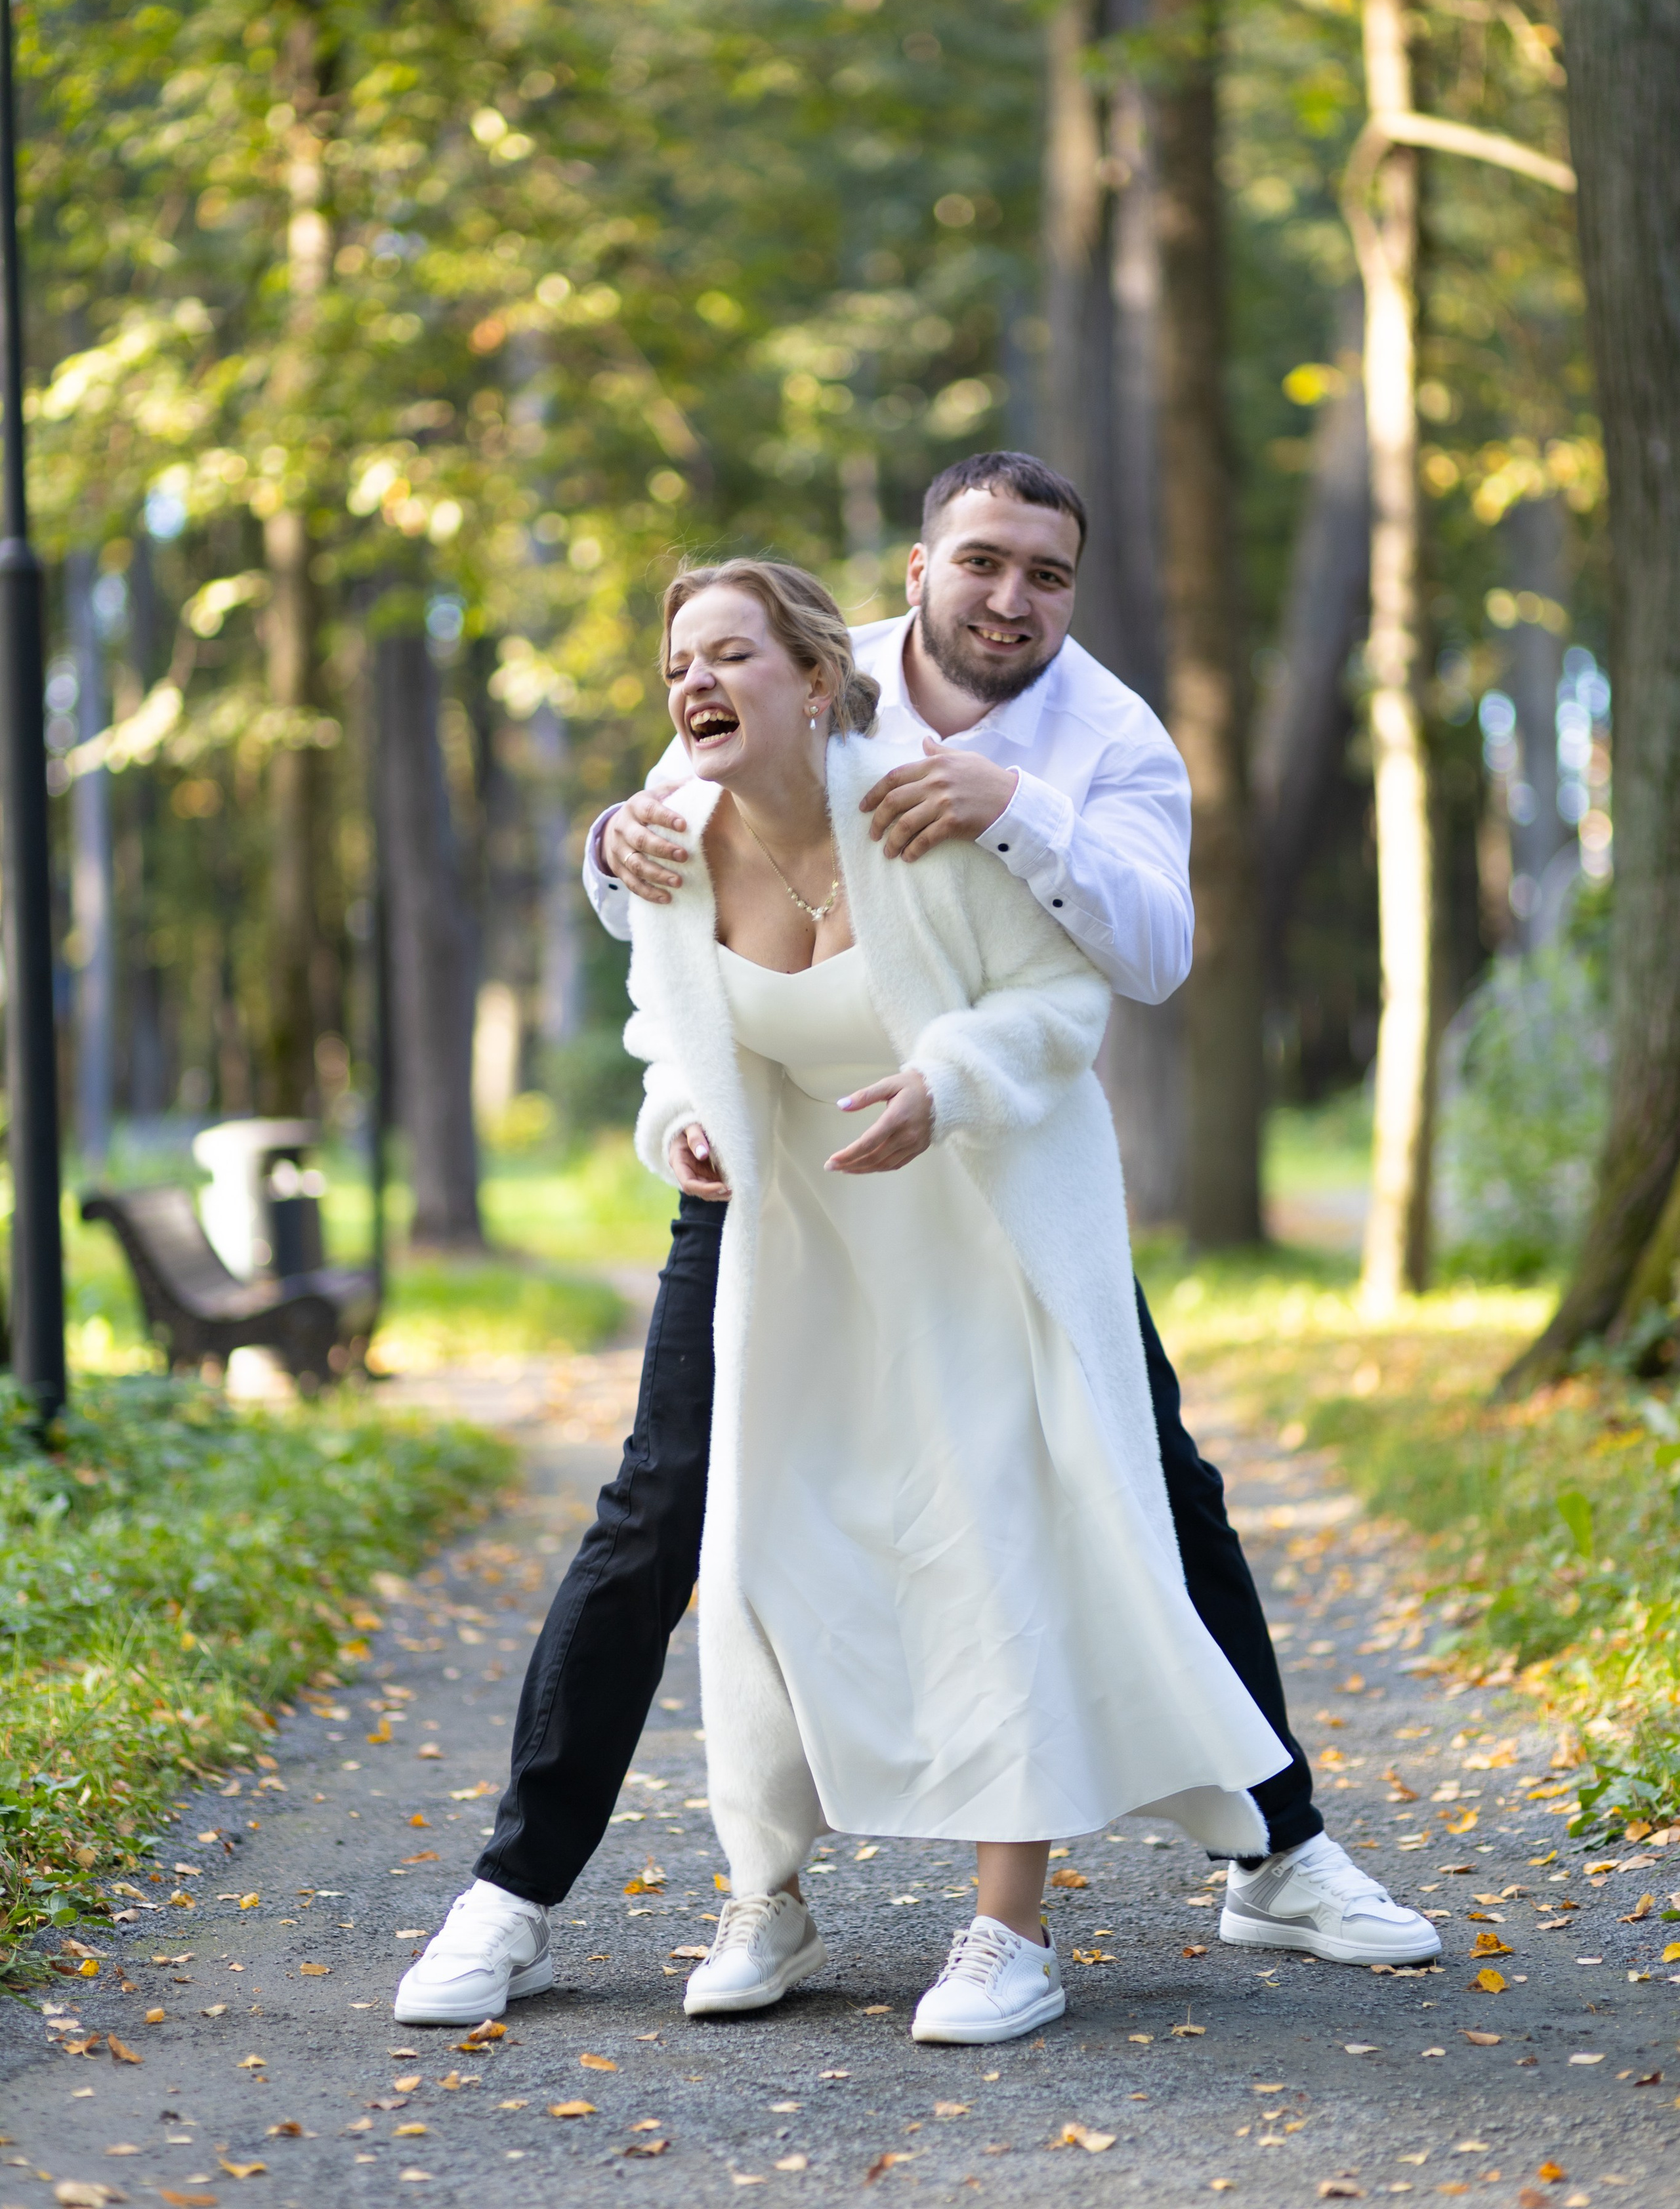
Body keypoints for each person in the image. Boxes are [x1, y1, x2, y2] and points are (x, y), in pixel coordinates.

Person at [394, 453, 1438, 2031]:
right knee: (666, 1506)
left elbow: (1144, 958)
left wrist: (1015, 813)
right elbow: (661, 919)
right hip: (780, 1181)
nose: (1009, 597)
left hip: (997, 1175)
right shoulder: (798, 676)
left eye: (1044, 573)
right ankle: (517, 1891)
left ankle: (1275, 1853)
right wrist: (609, 862)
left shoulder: (1106, 738)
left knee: (1137, 1476)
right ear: (910, 575)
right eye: (980, 562)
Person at [621, 555, 1292, 2040]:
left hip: (978, 1226)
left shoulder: (921, 815)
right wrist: (675, 1116)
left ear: (810, 677)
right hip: (805, 1249)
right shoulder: (668, 846)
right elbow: (664, 1030)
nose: (694, 685)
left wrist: (945, 1081)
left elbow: (1063, 1004)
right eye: (678, 665)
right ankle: (765, 1896)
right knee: (758, 1559)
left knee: (994, 1545)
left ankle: (1008, 1934)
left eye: (729, 655)